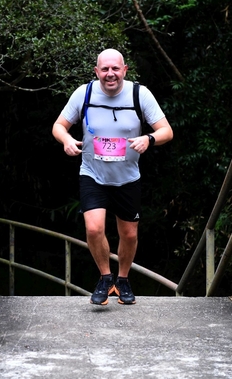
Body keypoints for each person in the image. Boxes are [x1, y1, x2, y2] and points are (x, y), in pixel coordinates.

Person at [52, 49, 173, 305]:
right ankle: (106, 278)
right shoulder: (84, 93)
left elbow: (166, 131)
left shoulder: (140, 94)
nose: (110, 74)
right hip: (92, 173)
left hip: (127, 177)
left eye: (115, 69)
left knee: (128, 234)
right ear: (96, 71)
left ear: (124, 70)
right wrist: (66, 140)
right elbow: (59, 125)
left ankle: (123, 280)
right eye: (105, 69)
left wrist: (148, 139)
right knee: (94, 228)